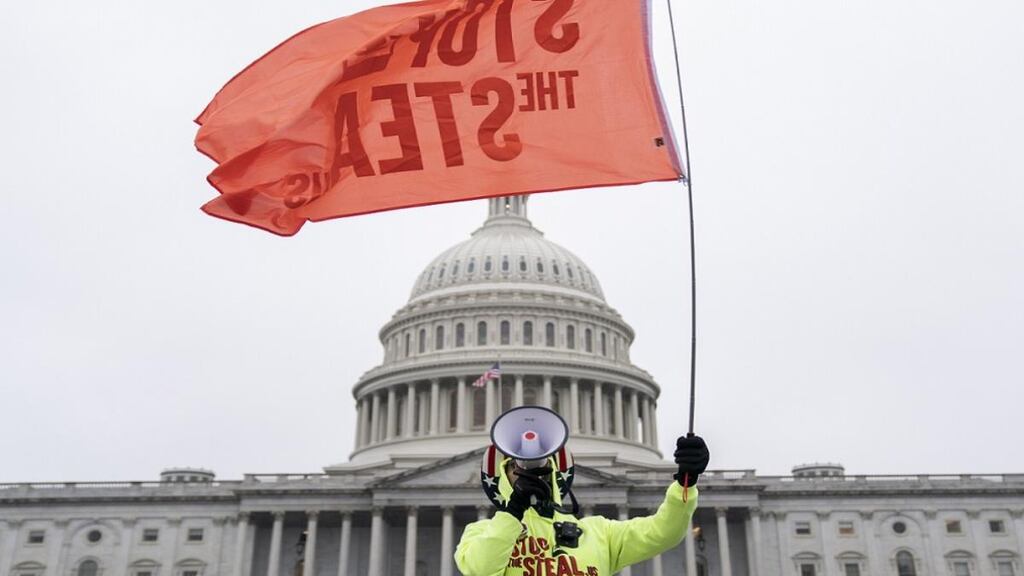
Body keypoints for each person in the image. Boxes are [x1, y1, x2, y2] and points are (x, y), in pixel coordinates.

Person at [455, 435, 710, 576]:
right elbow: (481, 570)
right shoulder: (481, 533)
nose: (528, 474)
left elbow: (663, 532)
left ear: (555, 474)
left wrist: (685, 482)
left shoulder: (598, 533)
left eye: (541, 468)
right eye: (515, 467)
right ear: (502, 476)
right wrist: (513, 512)